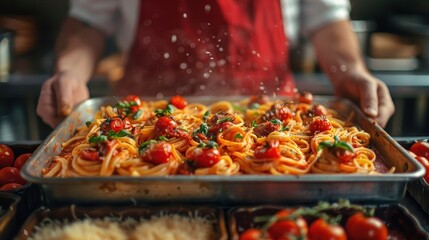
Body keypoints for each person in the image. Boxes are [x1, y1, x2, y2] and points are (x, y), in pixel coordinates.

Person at [37, 0, 395, 128]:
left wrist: (352, 72)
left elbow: (326, 17)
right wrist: (69, 71)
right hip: (143, 118)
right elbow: (88, 20)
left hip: (276, 120)